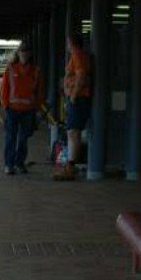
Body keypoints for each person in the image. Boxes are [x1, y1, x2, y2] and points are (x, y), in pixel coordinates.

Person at [0, 42, 44, 175]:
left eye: (26, 52)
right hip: (12, 109)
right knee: (10, 138)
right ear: (18, 54)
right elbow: (4, 88)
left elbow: (39, 91)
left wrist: (38, 108)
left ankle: (19, 163)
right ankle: (9, 164)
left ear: (30, 54)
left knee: (23, 139)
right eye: (22, 52)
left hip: (28, 110)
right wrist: (5, 104)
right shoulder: (10, 69)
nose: (24, 54)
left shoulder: (36, 71)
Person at [56, 32, 92, 180]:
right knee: (72, 131)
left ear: (71, 43)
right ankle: (70, 165)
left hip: (78, 99)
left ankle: (71, 167)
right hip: (78, 98)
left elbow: (81, 75)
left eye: (67, 42)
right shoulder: (78, 55)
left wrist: (73, 96)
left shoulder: (77, 55)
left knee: (73, 132)